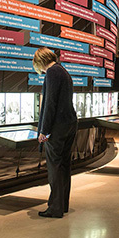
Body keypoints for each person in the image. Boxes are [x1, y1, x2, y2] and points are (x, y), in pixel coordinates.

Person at [34, 47, 78, 218]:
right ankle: (62, 204)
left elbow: (49, 103)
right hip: (69, 124)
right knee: (64, 165)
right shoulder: (63, 71)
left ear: (40, 61)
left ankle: (55, 208)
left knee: (55, 167)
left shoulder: (52, 72)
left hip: (57, 127)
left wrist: (44, 131)